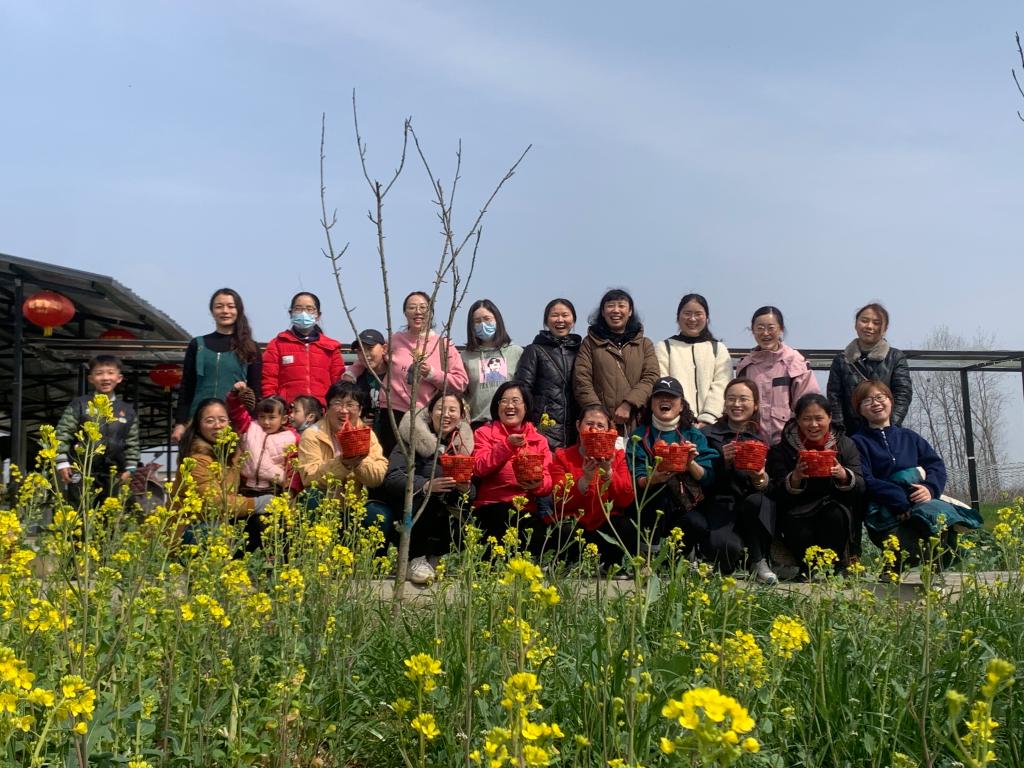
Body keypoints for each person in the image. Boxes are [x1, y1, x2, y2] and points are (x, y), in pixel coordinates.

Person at [850, 380, 981, 570]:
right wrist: (897, 499)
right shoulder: (857, 442)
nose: (876, 403)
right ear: (859, 409)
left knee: (939, 521)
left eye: (880, 397)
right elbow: (865, 479)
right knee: (905, 548)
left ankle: (934, 575)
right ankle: (893, 570)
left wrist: (930, 489)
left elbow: (935, 465)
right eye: (867, 400)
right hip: (883, 512)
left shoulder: (909, 437)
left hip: (919, 503)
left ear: (890, 400)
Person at [344, 291, 468, 446]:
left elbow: (461, 382)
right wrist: (351, 373)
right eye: (412, 307)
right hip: (391, 413)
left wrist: (432, 374)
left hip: (424, 416)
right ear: (405, 313)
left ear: (431, 312)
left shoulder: (443, 345)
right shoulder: (395, 340)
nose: (418, 311)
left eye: (423, 307)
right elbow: (370, 357)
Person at [766, 393, 864, 575]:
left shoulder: (845, 445)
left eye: (819, 418)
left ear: (830, 418)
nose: (813, 425)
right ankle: (805, 568)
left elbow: (860, 486)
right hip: (797, 509)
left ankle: (837, 566)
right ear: (797, 420)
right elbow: (774, 490)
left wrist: (844, 475)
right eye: (806, 419)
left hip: (833, 507)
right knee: (795, 523)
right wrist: (794, 479)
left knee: (835, 515)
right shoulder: (782, 449)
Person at [383, 393, 475, 585]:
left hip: (445, 514)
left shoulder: (462, 446)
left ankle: (439, 559)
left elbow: (473, 490)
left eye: (452, 410)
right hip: (414, 513)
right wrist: (426, 486)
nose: (446, 414)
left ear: (461, 416)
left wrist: (465, 488)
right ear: (430, 412)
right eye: (441, 409)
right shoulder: (410, 439)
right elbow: (393, 477)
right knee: (428, 498)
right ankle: (415, 558)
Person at [626, 376, 719, 556]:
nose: (665, 400)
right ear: (651, 404)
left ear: (682, 405)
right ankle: (647, 554)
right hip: (650, 504)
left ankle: (678, 557)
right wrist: (654, 478)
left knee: (697, 523)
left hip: (686, 504)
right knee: (657, 495)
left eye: (671, 396)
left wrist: (690, 463)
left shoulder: (694, 435)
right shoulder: (639, 436)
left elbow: (709, 478)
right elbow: (635, 478)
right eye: (659, 396)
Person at [700, 378, 777, 583]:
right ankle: (734, 557)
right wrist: (721, 462)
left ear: (756, 405)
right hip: (720, 507)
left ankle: (759, 560)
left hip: (750, 508)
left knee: (758, 501)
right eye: (731, 399)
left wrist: (759, 478)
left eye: (743, 399)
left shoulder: (761, 440)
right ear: (724, 402)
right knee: (726, 552)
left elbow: (769, 486)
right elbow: (701, 480)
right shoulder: (707, 435)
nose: (737, 404)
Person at [171, 398, 272, 550]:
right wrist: (257, 503)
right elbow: (215, 504)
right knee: (212, 531)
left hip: (222, 520)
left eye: (222, 420)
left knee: (261, 521)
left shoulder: (232, 453)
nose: (217, 426)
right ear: (198, 426)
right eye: (210, 421)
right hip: (191, 527)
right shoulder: (196, 459)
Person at [548, 404, 635, 568]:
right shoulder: (562, 456)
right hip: (576, 524)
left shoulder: (617, 457)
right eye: (589, 424)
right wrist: (585, 480)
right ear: (578, 425)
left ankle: (612, 566)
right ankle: (568, 564)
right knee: (563, 529)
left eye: (600, 425)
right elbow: (558, 500)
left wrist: (608, 473)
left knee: (625, 527)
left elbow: (626, 499)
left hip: (604, 524)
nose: (594, 430)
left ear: (608, 431)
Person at [297, 381, 390, 531]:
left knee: (380, 516)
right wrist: (343, 463)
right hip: (326, 502)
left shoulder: (367, 434)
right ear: (327, 408)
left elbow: (376, 478)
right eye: (337, 403)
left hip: (356, 504)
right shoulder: (312, 434)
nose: (344, 410)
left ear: (360, 410)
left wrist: (358, 461)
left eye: (350, 405)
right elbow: (309, 478)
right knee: (310, 498)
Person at [471, 382, 554, 552]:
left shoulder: (538, 440)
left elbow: (547, 482)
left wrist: (538, 485)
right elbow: (479, 467)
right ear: (497, 406)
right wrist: (507, 445)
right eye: (504, 401)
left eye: (515, 401)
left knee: (543, 538)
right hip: (492, 506)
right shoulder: (484, 433)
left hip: (525, 508)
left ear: (526, 406)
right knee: (501, 520)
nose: (510, 406)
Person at [172, 288, 261, 443]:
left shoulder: (250, 347)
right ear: (212, 311)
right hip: (198, 422)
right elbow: (187, 387)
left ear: (239, 310)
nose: (225, 311)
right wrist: (180, 423)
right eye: (219, 306)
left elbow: (256, 390)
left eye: (231, 306)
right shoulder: (197, 345)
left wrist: (254, 425)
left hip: (235, 423)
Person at [55, 354, 139, 505]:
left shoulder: (127, 411)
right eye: (99, 373)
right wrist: (62, 462)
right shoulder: (80, 405)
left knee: (111, 513)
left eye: (110, 373)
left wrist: (130, 468)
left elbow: (132, 442)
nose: (105, 378)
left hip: (114, 473)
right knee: (80, 510)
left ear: (119, 378)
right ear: (91, 378)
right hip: (82, 470)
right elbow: (63, 433)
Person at [574, 288, 660, 434]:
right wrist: (598, 413)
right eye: (610, 306)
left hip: (637, 421)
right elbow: (581, 379)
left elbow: (651, 377)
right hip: (599, 427)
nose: (616, 310)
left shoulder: (644, 344)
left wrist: (628, 404)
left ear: (630, 311)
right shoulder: (589, 343)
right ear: (603, 312)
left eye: (621, 306)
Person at [735, 306, 820, 444]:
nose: (765, 333)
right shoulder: (745, 366)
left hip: (790, 444)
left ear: (781, 329)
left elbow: (809, 405)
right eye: (760, 328)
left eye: (771, 328)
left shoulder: (796, 362)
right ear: (752, 330)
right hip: (752, 444)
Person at [826, 302, 912, 436]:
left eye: (876, 323)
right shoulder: (841, 360)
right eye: (864, 321)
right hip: (850, 434)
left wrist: (890, 427)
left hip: (885, 432)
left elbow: (903, 394)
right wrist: (840, 432)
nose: (869, 326)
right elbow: (834, 396)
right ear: (856, 325)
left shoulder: (895, 357)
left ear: (885, 329)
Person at [656, 293, 733, 427]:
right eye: (687, 313)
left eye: (698, 314)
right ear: (678, 317)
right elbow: (664, 385)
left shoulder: (718, 349)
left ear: (707, 318)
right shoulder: (664, 347)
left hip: (713, 425)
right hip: (676, 424)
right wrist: (683, 417)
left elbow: (722, 384)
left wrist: (708, 418)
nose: (692, 319)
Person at [517, 298, 582, 451]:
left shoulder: (582, 350)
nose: (560, 320)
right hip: (545, 428)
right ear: (546, 321)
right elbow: (523, 389)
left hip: (577, 428)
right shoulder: (534, 350)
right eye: (554, 315)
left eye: (565, 315)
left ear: (573, 320)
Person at [262, 292, 345, 407]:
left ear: (318, 315)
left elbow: (338, 383)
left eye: (309, 309)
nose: (304, 313)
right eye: (298, 309)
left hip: (321, 411)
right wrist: (274, 407)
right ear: (291, 313)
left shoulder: (331, 347)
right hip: (289, 411)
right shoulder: (277, 344)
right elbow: (268, 380)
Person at [226, 384, 300, 495]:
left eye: (272, 417)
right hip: (245, 486)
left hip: (274, 488)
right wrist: (234, 394)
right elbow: (237, 412)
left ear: (284, 419)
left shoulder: (292, 438)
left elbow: (293, 469)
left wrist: (291, 489)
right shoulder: (250, 427)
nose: (266, 422)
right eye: (262, 416)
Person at [461, 299, 523, 428]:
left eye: (487, 319)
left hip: (510, 423)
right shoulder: (465, 356)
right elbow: (461, 393)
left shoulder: (516, 352)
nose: (483, 324)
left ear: (497, 320)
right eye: (477, 321)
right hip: (478, 424)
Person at [350, 328, 395, 456]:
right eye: (360, 350)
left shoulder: (397, 376)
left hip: (395, 444)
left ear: (384, 349)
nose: (365, 354)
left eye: (370, 348)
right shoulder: (356, 381)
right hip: (367, 446)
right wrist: (359, 422)